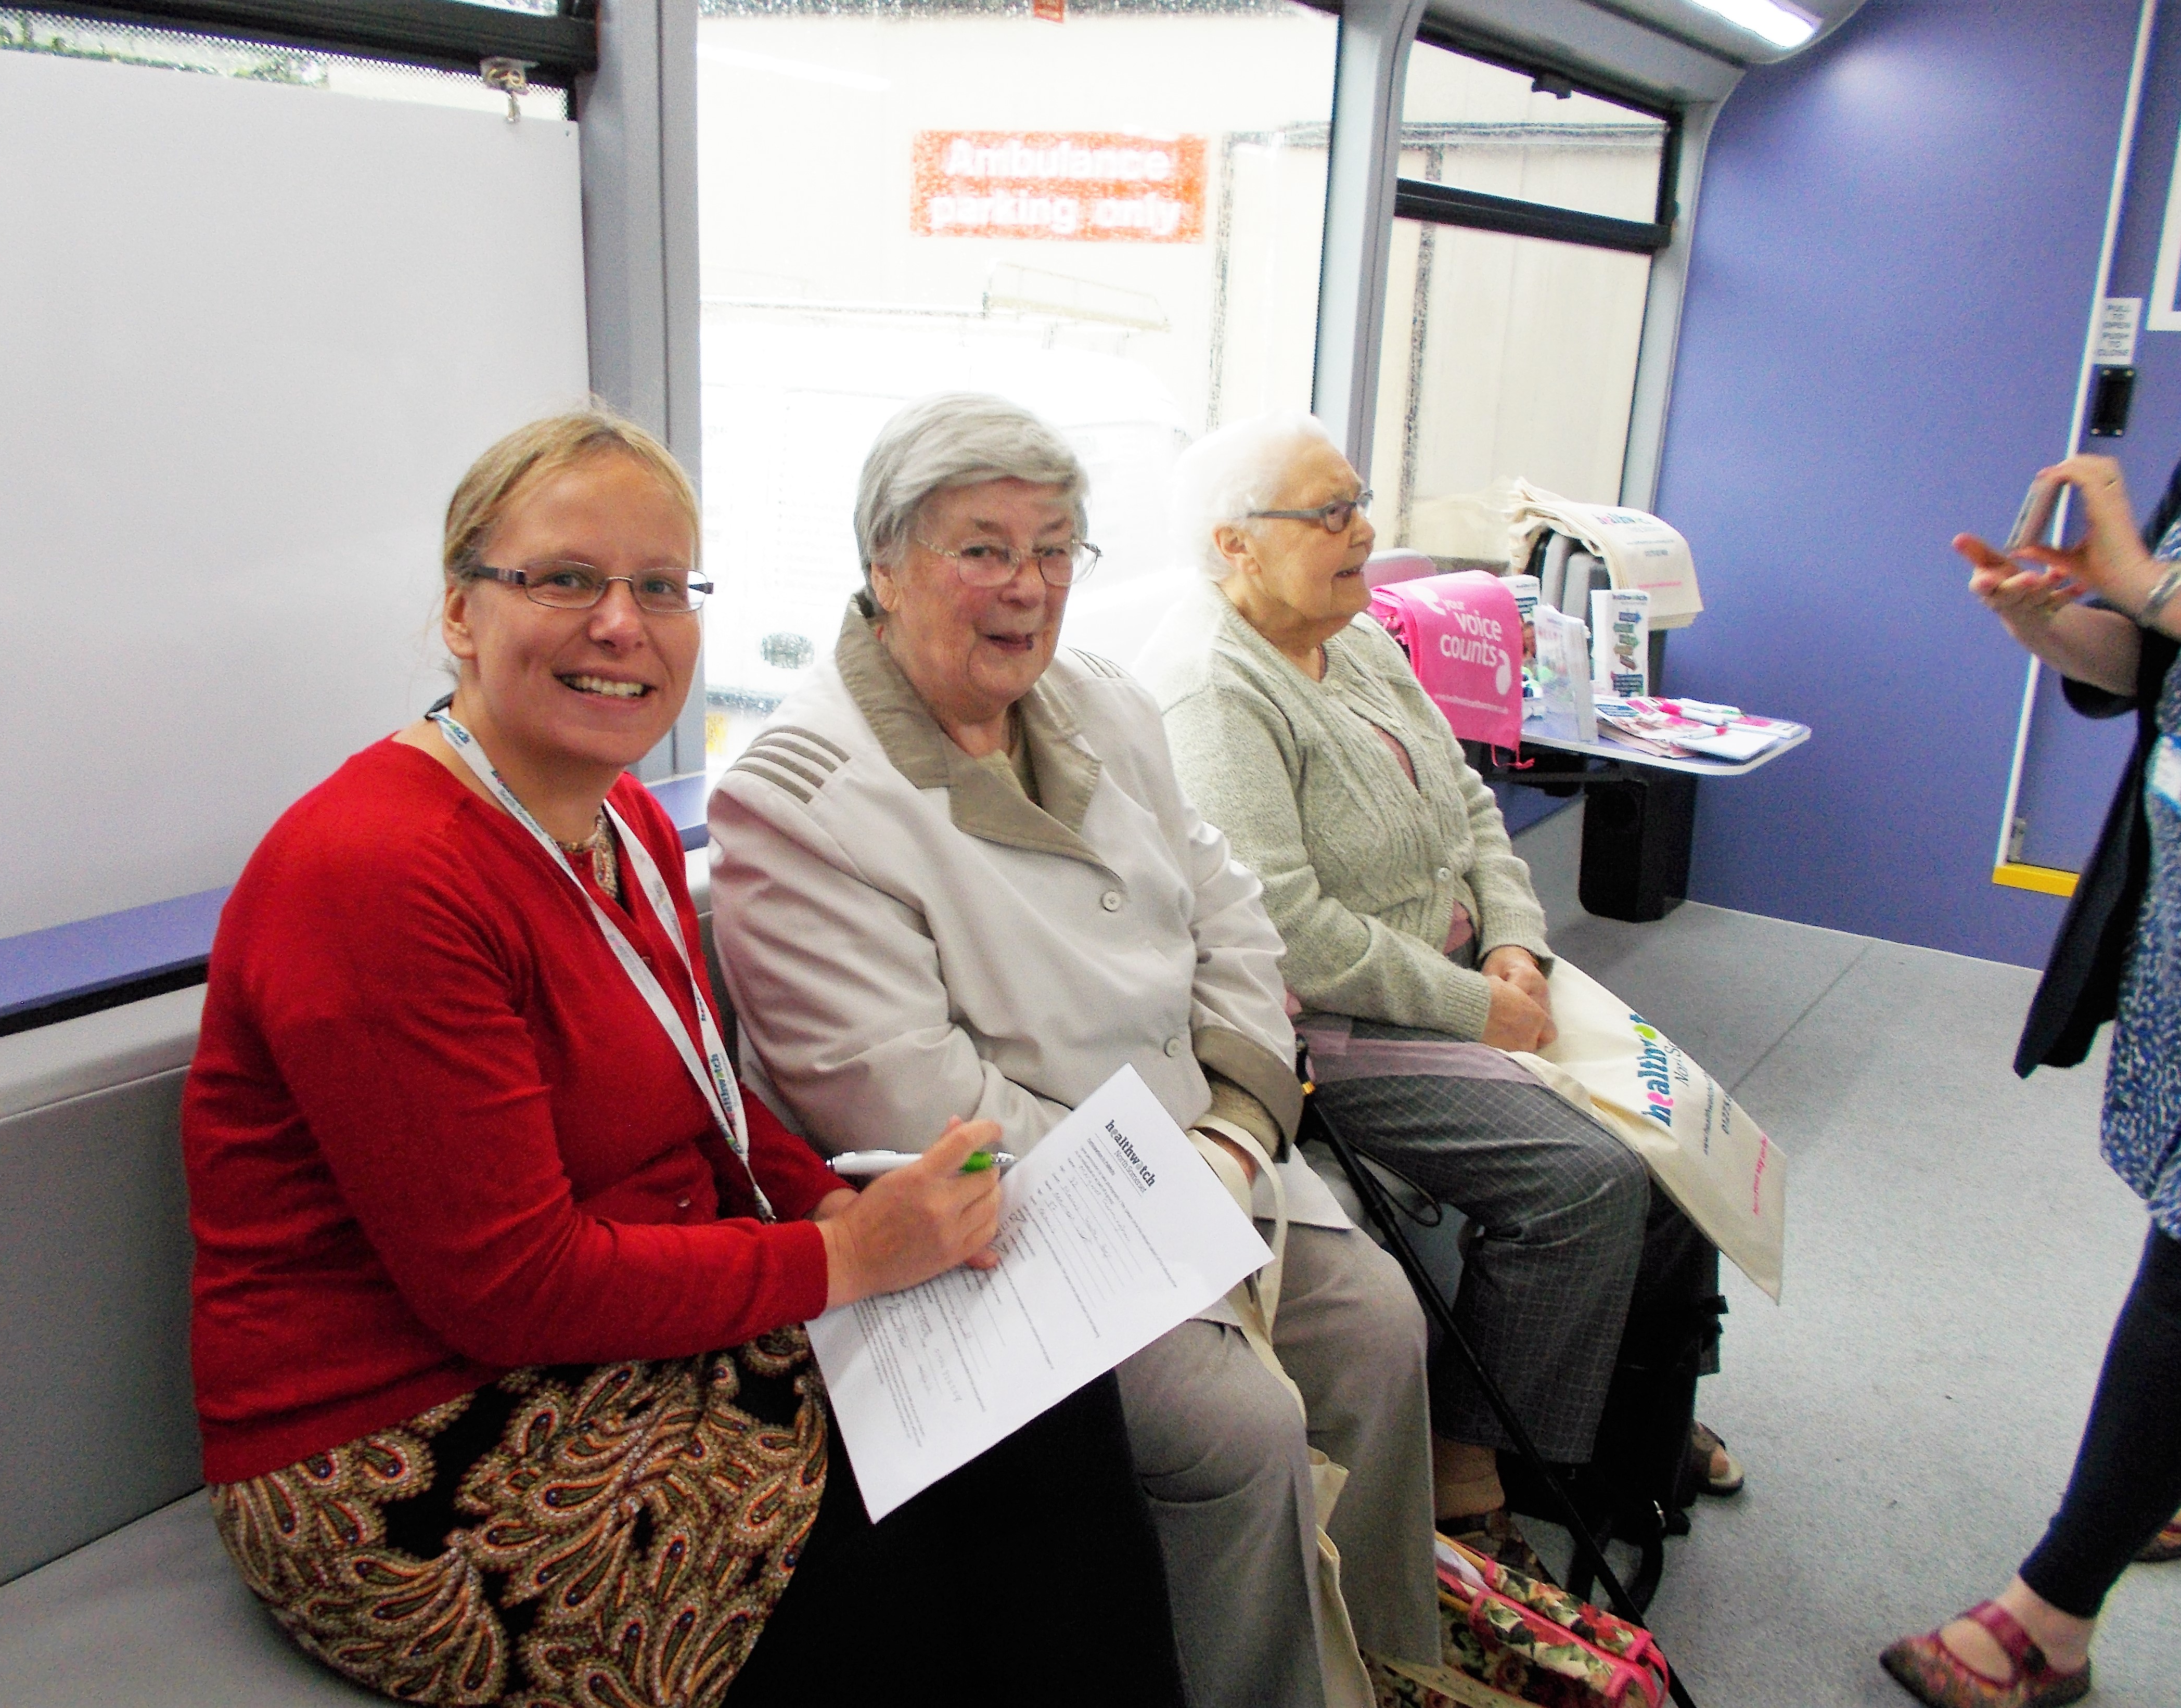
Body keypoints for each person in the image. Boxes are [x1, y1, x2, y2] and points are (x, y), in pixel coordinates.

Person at [182, 407, 1185, 1708]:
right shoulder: (379, 870)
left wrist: (835, 1197)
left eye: (661, 586)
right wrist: (846, 1259)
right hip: (409, 1439)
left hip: (621, 1350)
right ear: (459, 612)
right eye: (566, 579)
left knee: (1040, 1404)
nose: (623, 623)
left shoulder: (626, 831)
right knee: (903, 1580)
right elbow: (510, 1290)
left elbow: (710, 1100)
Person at [708, 393, 1440, 1708]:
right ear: (883, 563)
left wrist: (1230, 1133)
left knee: (1383, 1325)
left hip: (1210, 1149)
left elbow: (1235, 921)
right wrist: (1180, 1183)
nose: (1027, 586)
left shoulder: (1101, 696)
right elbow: (916, 1104)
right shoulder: (799, 790)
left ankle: (1385, 1668)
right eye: (982, 549)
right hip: (1003, 1228)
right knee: (1241, 1429)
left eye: (1056, 549)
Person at [1134, 411, 1734, 1577]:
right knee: (1585, 1181)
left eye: (1358, 501)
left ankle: (1630, 1419)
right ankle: (1471, 1470)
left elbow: (1467, 802)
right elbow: (1289, 937)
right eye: (1330, 512)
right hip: (1335, 1032)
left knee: (1676, 1123)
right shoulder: (1213, 690)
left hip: (1466, 977)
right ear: (1233, 545)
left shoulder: (1349, 635)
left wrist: (1517, 937)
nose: (1364, 530)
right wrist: (1478, 1008)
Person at [1879, 426, 2181, 1708]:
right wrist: (2054, 622)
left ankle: (2046, 1621)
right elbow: (2145, 655)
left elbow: (2156, 592)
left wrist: (2142, 575)